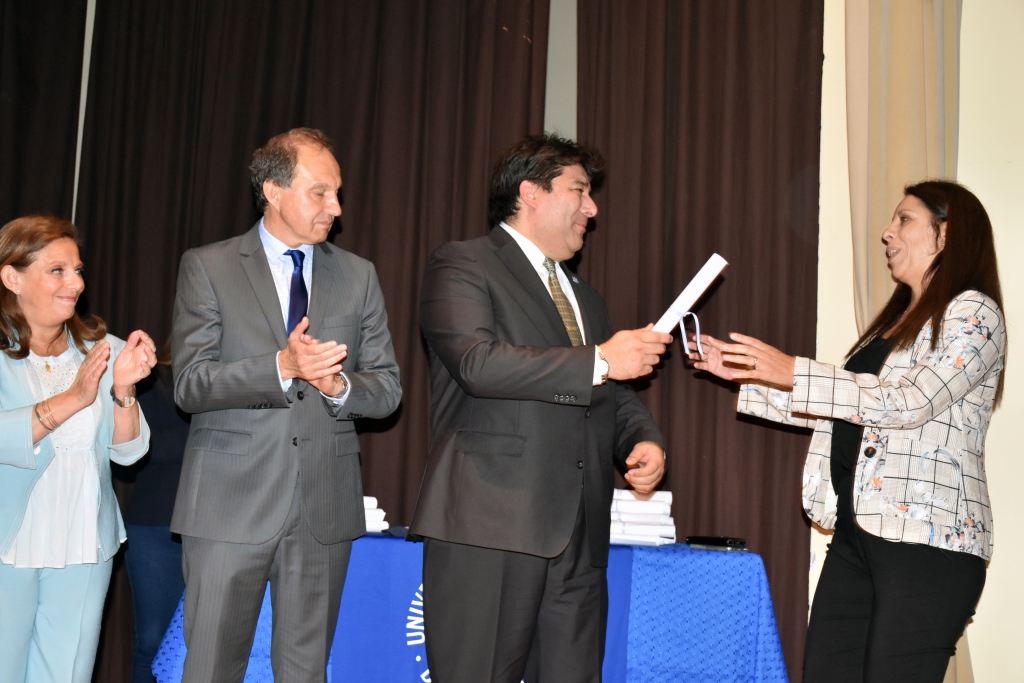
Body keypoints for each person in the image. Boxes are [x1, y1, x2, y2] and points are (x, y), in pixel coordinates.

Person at [689, 180, 1006, 682]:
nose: (887, 233)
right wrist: (745, 374)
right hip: (859, 535)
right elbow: (848, 411)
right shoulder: (899, 323)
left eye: (904, 219)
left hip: (928, 543)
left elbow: (909, 402)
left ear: (947, 235)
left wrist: (792, 369)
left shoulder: (974, 313)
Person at [409, 134, 671, 683]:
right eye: (580, 190)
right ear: (530, 193)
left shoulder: (585, 296)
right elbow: (478, 363)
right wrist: (600, 359)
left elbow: (610, 390)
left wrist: (641, 438)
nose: (592, 208)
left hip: (578, 534)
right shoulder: (462, 264)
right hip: (491, 523)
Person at [170, 127, 402, 682]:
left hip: (323, 508)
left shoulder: (358, 275)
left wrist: (337, 387)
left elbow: (387, 388)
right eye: (320, 192)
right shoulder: (209, 267)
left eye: (338, 193)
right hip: (229, 506)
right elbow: (191, 384)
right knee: (211, 670)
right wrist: (283, 366)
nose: (336, 207)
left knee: (305, 673)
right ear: (273, 190)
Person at [0, 215, 156, 683]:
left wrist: (123, 391)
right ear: (12, 277)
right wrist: (72, 399)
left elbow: (128, 455)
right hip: (9, 544)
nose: (75, 283)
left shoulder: (102, 350)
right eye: (57, 270)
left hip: (85, 544)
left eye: (78, 270)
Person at [121, 341, 189, 683]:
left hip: (215, 530)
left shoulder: (232, 384)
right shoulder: (149, 376)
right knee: (153, 640)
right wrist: (212, 436)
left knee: (207, 643)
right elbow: (143, 446)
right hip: (154, 528)